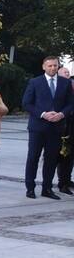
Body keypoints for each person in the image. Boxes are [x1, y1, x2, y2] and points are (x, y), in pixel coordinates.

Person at [23, 56, 74, 199]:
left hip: (56, 127)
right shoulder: (35, 82)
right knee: (33, 157)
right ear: (44, 67)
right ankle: (30, 188)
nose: (53, 68)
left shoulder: (65, 83)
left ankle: (47, 188)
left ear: (58, 66)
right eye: (50, 65)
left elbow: (71, 103)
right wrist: (43, 114)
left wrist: (62, 114)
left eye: (55, 65)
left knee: (51, 159)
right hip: (38, 127)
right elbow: (26, 103)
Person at [59, 67, 74, 195]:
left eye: (68, 72)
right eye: (65, 72)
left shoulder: (71, 86)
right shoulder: (58, 88)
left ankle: (67, 180)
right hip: (63, 127)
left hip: (71, 126)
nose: (68, 73)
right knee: (63, 156)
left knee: (70, 158)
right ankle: (62, 183)